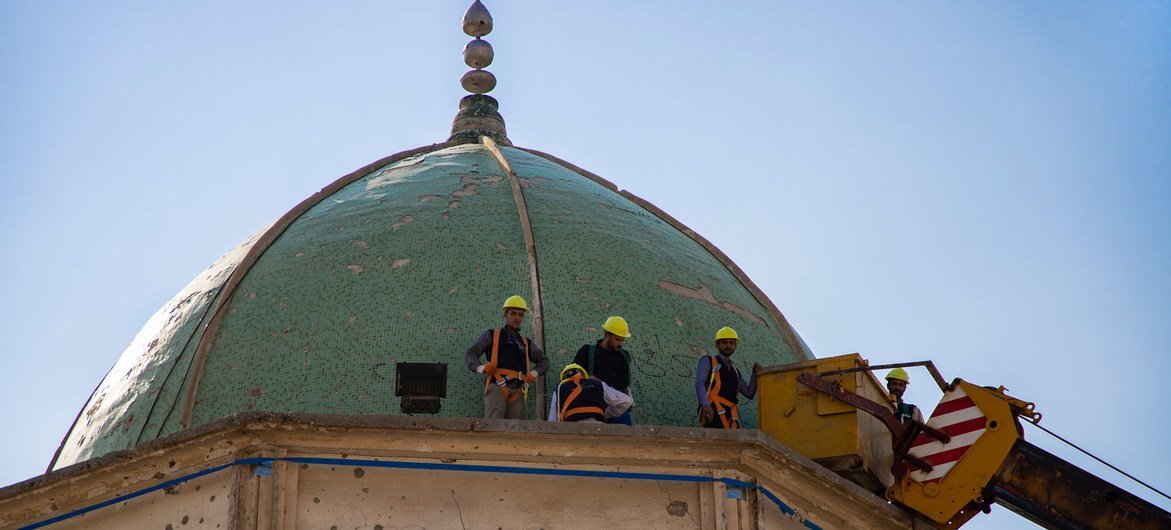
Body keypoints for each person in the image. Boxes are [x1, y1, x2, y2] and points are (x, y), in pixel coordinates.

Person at [465, 295, 549, 419]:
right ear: (506, 314)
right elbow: (470, 353)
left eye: (520, 314)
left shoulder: (526, 342)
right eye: (513, 313)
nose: (517, 317)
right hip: (497, 387)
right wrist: (480, 368)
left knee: (516, 432)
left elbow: (544, 361)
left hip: (519, 390)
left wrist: (534, 373)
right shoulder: (491, 335)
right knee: (493, 428)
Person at [571, 316, 634, 425]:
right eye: (618, 340)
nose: (621, 344)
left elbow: (625, 381)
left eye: (623, 340)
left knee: (624, 432)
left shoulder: (625, 356)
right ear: (607, 336)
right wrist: (586, 379)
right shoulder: (587, 351)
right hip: (592, 404)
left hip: (617, 406)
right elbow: (571, 376)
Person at [696, 326, 761, 429]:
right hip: (713, 414)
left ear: (735, 346)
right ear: (717, 345)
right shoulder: (708, 361)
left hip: (731, 418)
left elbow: (749, 393)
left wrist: (755, 373)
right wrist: (705, 405)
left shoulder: (735, 372)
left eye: (731, 343)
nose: (728, 346)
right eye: (724, 342)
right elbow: (700, 382)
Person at [546, 364, 633, 423]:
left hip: (571, 428)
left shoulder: (560, 388)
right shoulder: (599, 384)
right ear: (585, 376)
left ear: (563, 380)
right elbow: (626, 401)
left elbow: (553, 419)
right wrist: (607, 414)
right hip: (598, 427)